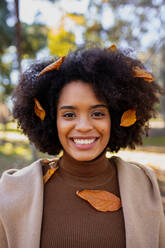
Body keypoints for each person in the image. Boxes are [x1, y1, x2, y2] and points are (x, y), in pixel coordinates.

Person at [0, 46, 165, 248]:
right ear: (53, 121)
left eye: (97, 114)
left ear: (114, 119)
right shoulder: (13, 191)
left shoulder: (144, 185)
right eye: (69, 115)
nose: (84, 127)